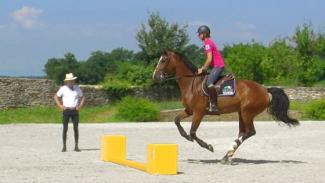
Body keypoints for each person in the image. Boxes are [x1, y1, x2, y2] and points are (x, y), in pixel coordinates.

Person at [197, 25, 225, 112]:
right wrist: (203, 68)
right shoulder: (207, 43)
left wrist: (202, 68)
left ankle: (214, 104)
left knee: (209, 82)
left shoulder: (208, 43)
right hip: (215, 66)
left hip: (218, 66)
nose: (198, 36)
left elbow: (209, 59)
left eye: (200, 34)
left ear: (204, 34)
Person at [54, 73, 85, 152]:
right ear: (66, 81)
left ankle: (76, 146)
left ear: (73, 80)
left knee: (75, 128)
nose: (71, 82)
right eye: (69, 81)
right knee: (65, 128)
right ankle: (64, 146)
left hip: (74, 110)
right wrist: (60, 106)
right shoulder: (63, 88)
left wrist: (80, 106)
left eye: (72, 80)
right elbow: (56, 97)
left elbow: (82, 97)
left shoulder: (77, 88)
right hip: (66, 110)